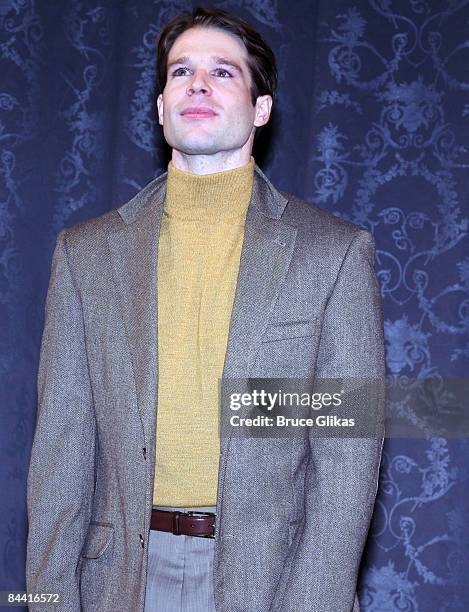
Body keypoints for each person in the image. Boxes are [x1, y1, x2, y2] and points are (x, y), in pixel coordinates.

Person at [26, 6, 385, 612]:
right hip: (118, 582)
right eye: (180, 72)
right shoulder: (85, 255)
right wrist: (45, 600)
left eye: (223, 72)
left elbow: (348, 460)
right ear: (161, 106)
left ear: (261, 108)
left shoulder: (333, 251)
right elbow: (59, 458)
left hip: (274, 581)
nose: (197, 84)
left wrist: (316, 601)